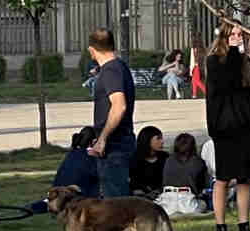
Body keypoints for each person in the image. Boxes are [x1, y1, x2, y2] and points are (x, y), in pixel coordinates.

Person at [205, 21, 250, 231]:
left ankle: (244, 225)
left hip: (245, 126)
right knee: (223, 178)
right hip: (225, 127)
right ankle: (221, 226)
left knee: (244, 178)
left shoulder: (244, 61)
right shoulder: (215, 61)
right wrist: (237, 54)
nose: (238, 38)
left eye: (240, 34)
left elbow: (249, 90)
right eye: (233, 34)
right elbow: (226, 83)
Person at [86, 27, 135, 198]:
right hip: (115, 142)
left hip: (115, 146)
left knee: (115, 204)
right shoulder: (119, 67)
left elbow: (119, 106)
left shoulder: (111, 71)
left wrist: (103, 138)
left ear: (91, 50)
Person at [51, 127, 101, 200]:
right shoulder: (91, 157)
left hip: (56, 194)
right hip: (74, 198)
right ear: (94, 141)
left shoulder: (71, 153)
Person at [162, 132, 209, 200]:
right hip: (189, 201)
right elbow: (203, 185)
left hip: (167, 200)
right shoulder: (198, 161)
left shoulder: (169, 160)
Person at [130, 127, 168, 197]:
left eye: (161, 138)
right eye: (158, 138)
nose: (162, 141)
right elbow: (133, 184)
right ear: (147, 140)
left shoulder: (165, 157)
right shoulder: (135, 160)